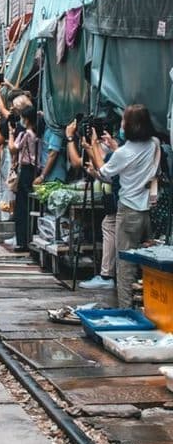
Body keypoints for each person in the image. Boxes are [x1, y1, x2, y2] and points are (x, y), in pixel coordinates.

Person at [87, 104, 160, 308]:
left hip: (128, 211)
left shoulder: (123, 153)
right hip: (147, 211)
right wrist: (114, 147)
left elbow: (104, 172)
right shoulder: (153, 143)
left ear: (131, 126)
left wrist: (93, 145)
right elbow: (134, 161)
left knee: (125, 265)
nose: (121, 124)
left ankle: (126, 309)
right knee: (150, 262)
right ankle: (150, 307)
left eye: (123, 121)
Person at [67, 118, 118, 290]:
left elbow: (103, 168)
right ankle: (109, 274)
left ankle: (107, 275)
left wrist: (90, 145)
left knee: (109, 227)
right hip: (111, 195)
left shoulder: (106, 147)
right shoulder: (114, 147)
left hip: (116, 196)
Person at [8, 103, 39, 252]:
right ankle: (27, 239)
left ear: (26, 119)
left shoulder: (26, 134)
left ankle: (22, 241)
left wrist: (10, 133)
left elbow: (13, 148)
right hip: (33, 171)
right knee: (28, 205)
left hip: (26, 170)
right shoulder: (36, 134)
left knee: (21, 207)